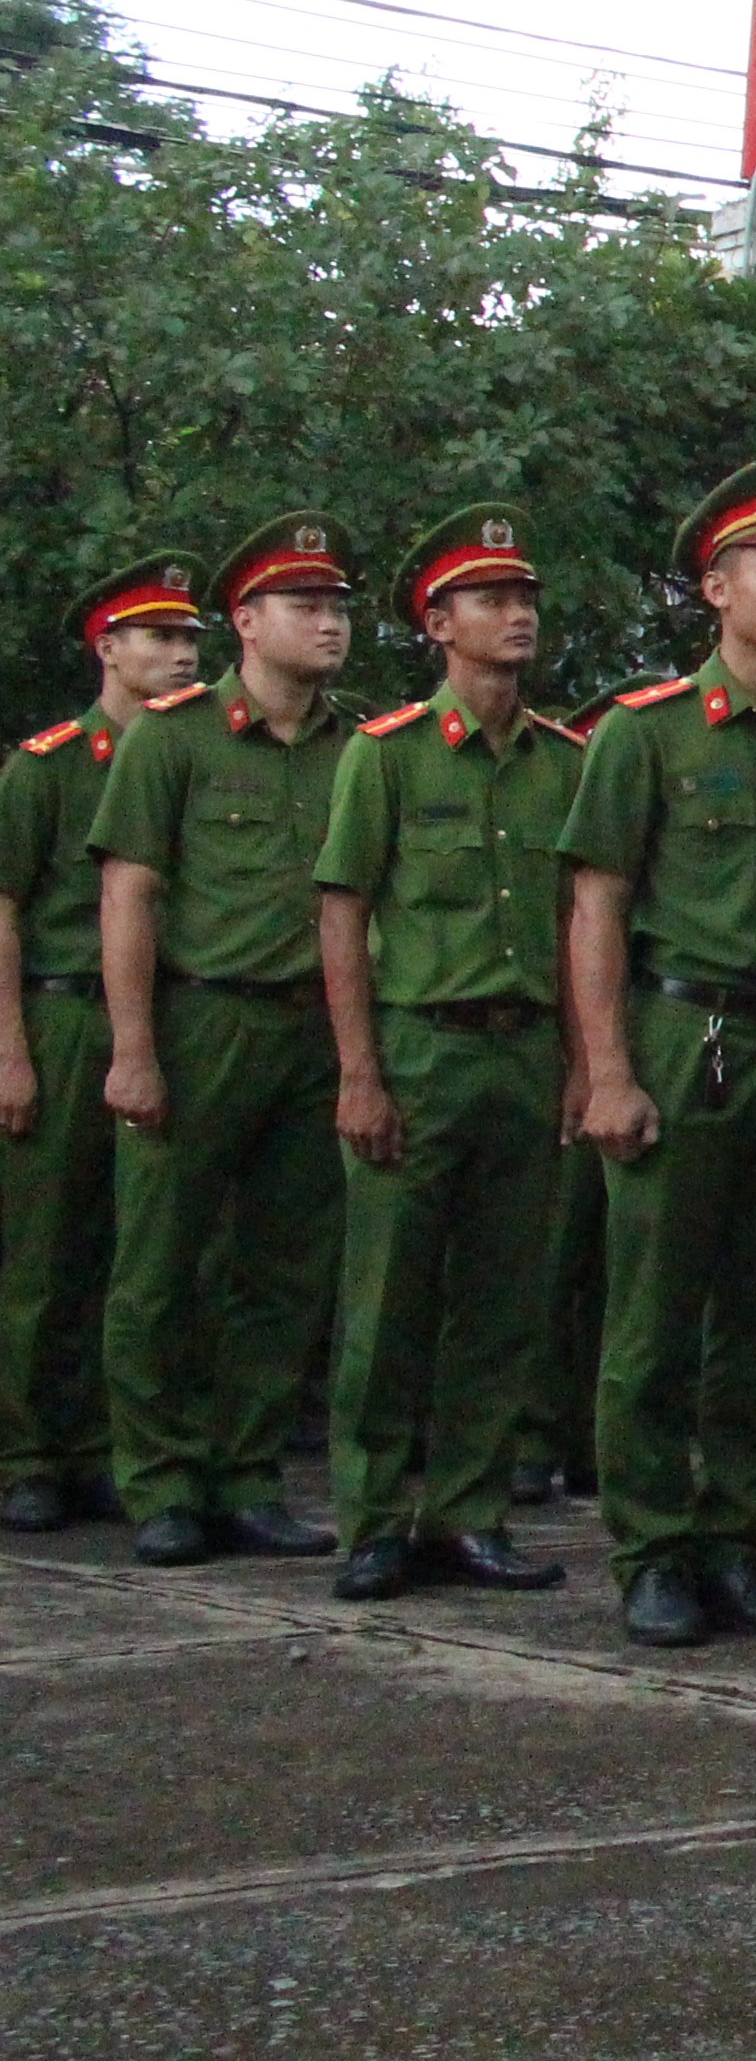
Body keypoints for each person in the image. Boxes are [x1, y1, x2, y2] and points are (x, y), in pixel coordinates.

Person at [558, 459, 756, 1648]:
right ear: (715, 589)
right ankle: (650, 1550)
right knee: (653, 1312)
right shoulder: (650, 735)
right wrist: (612, 1068)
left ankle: (738, 1543)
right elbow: (597, 907)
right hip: (689, 1034)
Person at [312, 505, 587, 1600]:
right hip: (422, 1048)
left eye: (524, 600)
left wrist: (584, 1060)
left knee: (503, 1297)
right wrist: (359, 1073)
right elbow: (344, 917)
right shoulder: (385, 758)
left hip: (525, 1054)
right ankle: (376, 1519)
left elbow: (580, 921)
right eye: (489, 600)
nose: (515, 617)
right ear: (439, 623)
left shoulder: (560, 760)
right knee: (386, 1300)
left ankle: (469, 1512)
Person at [92, 513, 366, 1568]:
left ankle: (247, 1476)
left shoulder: (360, 746)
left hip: (318, 1029)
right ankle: (161, 1482)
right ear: (247, 621)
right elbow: (130, 893)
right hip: (203, 1016)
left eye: (338, 604)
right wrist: (133, 1048)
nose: (329, 622)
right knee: (160, 1263)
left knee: (285, 1267)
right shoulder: (175, 737)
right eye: (305, 605)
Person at [0, 551, 203, 1534]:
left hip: (165, 1014)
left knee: (149, 1252)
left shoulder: (193, 755)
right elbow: (3, 910)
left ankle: (117, 1446)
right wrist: (11, 1050)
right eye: (159, 638)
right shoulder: (46, 769)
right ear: (108, 648)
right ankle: (33, 1450)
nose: (178, 655)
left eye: (188, 640)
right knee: (47, 1250)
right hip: (64, 1012)